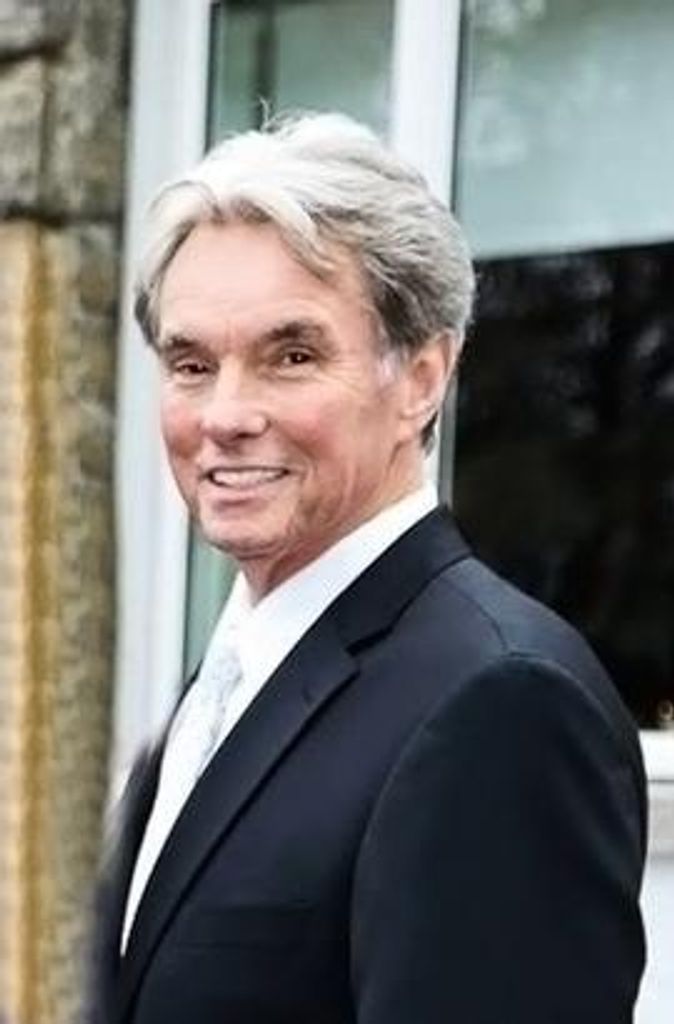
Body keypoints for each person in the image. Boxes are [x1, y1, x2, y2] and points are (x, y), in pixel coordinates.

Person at [91, 112, 647, 1024]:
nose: (224, 415)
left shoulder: (502, 701)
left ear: (421, 379)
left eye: (291, 356)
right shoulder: (246, 665)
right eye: (191, 364)